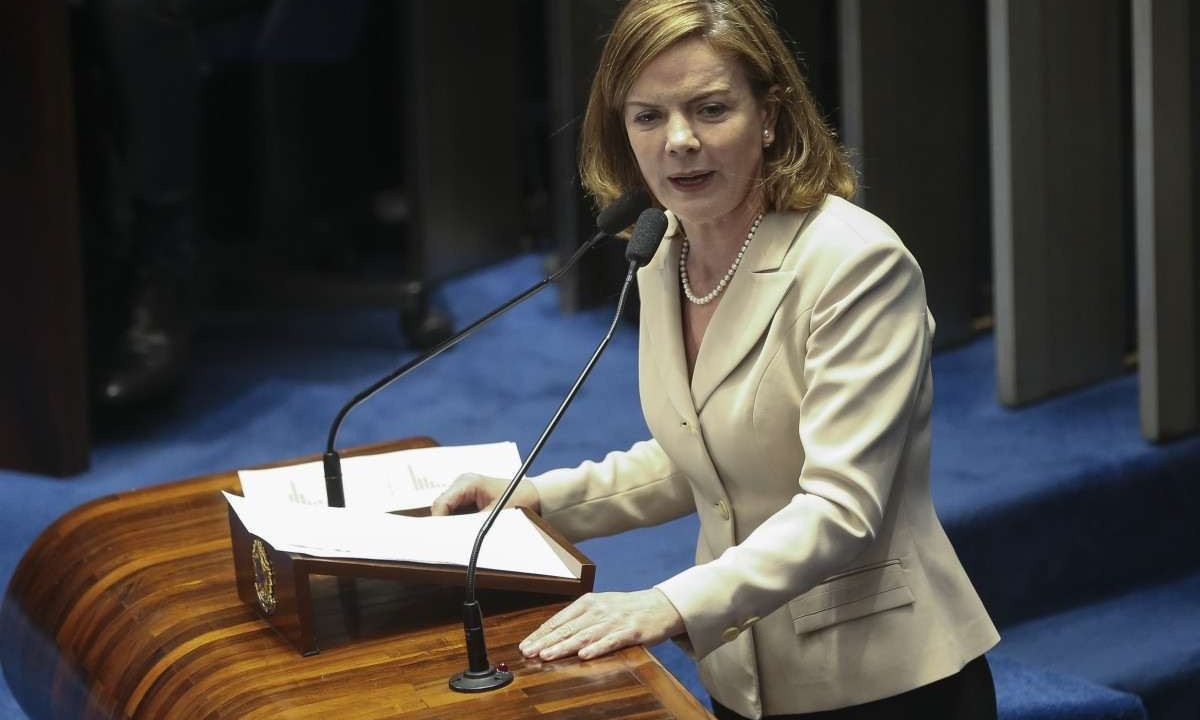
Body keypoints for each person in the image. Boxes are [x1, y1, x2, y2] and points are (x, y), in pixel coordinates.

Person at [432, 1, 1000, 717]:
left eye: (710, 109)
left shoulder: (855, 265)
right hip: (740, 673)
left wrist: (668, 602)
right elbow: (704, 455)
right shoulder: (663, 249)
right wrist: (539, 499)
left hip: (883, 680)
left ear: (769, 116)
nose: (679, 141)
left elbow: (842, 505)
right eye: (648, 117)